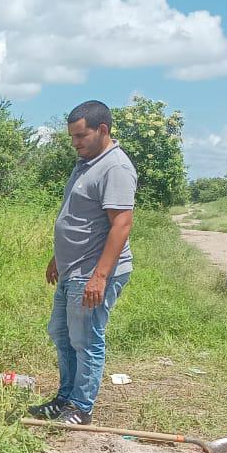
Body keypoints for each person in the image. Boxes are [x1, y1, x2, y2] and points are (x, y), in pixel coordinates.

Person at [29, 100, 136, 426]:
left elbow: (121, 224)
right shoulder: (88, 162)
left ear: (103, 130)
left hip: (93, 272)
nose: (75, 143)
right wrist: (57, 257)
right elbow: (76, 217)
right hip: (72, 268)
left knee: (86, 339)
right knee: (61, 333)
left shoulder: (115, 167)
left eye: (81, 136)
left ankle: (81, 408)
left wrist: (100, 276)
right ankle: (65, 398)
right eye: (72, 137)